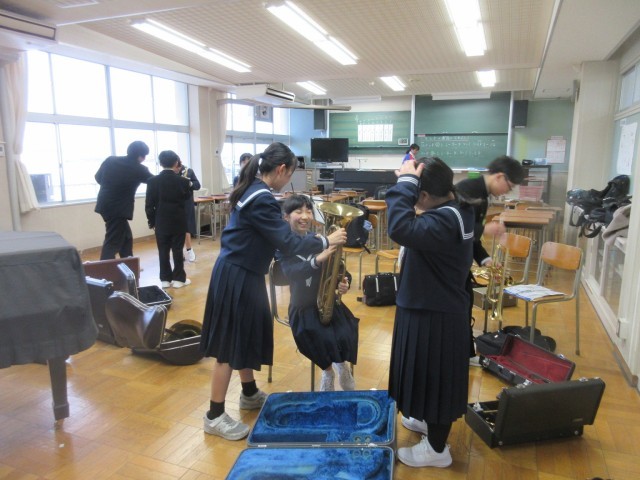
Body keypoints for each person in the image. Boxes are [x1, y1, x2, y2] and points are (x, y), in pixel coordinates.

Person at [200, 142, 347, 441]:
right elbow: (288, 242)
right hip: (236, 275)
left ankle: (249, 392)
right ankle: (214, 415)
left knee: (245, 334)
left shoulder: (254, 189)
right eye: (290, 174)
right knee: (228, 345)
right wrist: (325, 241)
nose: (288, 179)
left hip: (245, 272)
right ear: (281, 169)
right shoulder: (262, 198)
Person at [386, 156, 475, 469]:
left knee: (436, 380)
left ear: (423, 195)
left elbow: (399, 227)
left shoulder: (445, 219)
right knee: (426, 376)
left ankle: (437, 449)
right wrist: (410, 183)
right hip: (431, 306)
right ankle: (427, 420)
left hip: (436, 313)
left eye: (415, 193)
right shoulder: (456, 209)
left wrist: (405, 183)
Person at [279, 194, 358, 392]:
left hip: (327, 301)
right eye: (298, 212)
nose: (305, 216)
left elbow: (340, 269)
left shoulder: (319, 240)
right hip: (303, 308)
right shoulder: (283, 246)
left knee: (346, 332)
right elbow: (292, 273)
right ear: (286, 217)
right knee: (318, 338)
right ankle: (328, 371)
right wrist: (317, 260)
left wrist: (344, 282)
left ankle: (342, 366)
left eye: (308, 211)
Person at [455, 155, 525, 364]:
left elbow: (471, 238)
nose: (507, 192)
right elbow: (453, 226)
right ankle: (460, 355)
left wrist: (485, 259)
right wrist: (484, 229)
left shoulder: (482, 194)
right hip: (451, 262)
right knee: (459, 308)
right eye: (509, 186)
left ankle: (465, 354)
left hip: (461, 262)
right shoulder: (467, 189)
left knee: (464, 305)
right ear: (500, 176)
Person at [94, 141, 153, 260]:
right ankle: (104, 268)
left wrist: (112, 187)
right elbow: (155, 182)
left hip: (104, 204)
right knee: (113, 240)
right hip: (118, 209)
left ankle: (128, 262)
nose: (144, 159)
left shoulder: (110, 160)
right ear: (140, 156)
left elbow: (98, 177)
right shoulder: (138, 168)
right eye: (144, 156)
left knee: (126, 236)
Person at [145, 150, 193, 289]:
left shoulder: (152, 181)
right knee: (177, 249)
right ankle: (179, 279)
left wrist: (152, 222)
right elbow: (186, 198)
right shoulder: (184, 182)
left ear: (160, 163)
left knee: (163, 250)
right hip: (178, 221)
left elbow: (149, 205)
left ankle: (165, 280)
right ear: (176, 162)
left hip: (160, 221)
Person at [177, 160, 201, 262]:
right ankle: (179, 252)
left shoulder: (188, 171)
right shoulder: (171, 172)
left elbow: (197, 185)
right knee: (176, 230)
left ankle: (189, 249)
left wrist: (189, 183)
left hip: (187, 203)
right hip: (175, 204)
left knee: (186, 228)